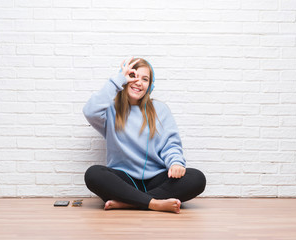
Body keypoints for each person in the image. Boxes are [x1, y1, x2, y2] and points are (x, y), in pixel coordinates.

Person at [83, 57, 206, 213]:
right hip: (124, 180)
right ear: (124, 79)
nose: (138, 82)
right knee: (93, 174)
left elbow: (171, 144)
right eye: (133, 76)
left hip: (156, 179)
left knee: (197, 178)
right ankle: (154, 203)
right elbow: (90, 111)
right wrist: (117, 80)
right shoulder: (110, 110)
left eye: (145, 79)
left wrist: (176, 163)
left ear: (150, 86)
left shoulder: (160, 109)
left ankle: (130, 202)